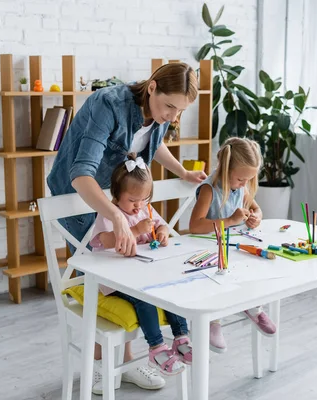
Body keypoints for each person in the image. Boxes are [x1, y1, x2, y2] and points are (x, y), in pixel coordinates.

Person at [47, 62, 206, 394]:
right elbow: (81, 173)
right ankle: (100, 368)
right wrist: (117, 217)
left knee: (130, 275)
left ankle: (127, 364)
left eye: (180, 110)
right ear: (152, 88)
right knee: (98, 282)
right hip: (81, 196)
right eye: (169, 107)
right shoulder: (108, 104)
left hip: (121, 198)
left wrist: (181, 172)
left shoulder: (159, 112)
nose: (173, 116)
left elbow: (153, 140)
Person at [90, 154, 192, 376]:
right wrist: (135, 231)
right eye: (132, 201)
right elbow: (106, 241)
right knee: (145, 299)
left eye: (144, 200)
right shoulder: (110, 213)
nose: (138, 207)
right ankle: (156, 348)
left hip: (143, 275)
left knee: (170, 290)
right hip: (115, 282)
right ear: (116, 196)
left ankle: (181, 337)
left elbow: (161, 225)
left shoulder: (145, 209)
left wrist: (163, 232)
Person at [189, 137, 277, 354]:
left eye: (249, 179)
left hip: (234, 246)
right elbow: (195, 225)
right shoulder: (209, 190)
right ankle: (213, 321)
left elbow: (257, 209)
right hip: (209, 250)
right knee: (221, 277)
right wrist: (229, 221)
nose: (244, 184)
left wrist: (255, 216)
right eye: (240, 179)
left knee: (253, 266)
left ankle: (253, 306)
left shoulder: (241, 188)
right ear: (226, 168)